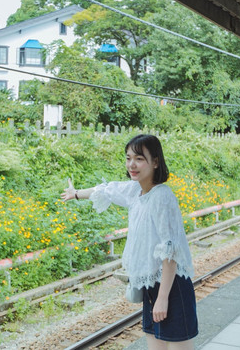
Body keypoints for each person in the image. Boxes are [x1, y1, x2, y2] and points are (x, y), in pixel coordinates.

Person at [61, 134, 198, 349]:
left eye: (139, 159)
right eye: (128, 158)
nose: (131, 164)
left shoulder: (162, 196)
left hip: (171, 287)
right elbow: (106, 190)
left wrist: (163, 299)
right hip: (151, 285)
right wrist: (76, 194)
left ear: (155, 162)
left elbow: (171, 251)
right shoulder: (136, 191)